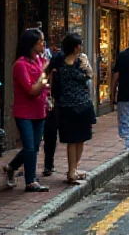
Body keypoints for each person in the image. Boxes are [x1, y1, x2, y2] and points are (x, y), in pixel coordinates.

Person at [3, 28, 50, 192]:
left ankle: (11, 167)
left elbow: (43, 86)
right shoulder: (20, 65)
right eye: (40, 41)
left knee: (34, 147)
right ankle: (30, 181)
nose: (43, 44)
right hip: (24, 112)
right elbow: (32, 90)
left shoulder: (38, 60)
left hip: (39, 110)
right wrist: (45, 74)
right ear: (31, 44)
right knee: (30, 147)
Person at [54, 32, 95, 184]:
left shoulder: (59, 61)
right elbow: (90, 75)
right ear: (77, 47)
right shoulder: (80, 62)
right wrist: (86, 64)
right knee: (80, 138)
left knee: (73, 139)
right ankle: (73, 170)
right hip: (82, 104)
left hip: (66, 106)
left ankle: (74, 169)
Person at [42, 46, 65, 177]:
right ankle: (48, 165)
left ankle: (48, 165)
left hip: (50, 106)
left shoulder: (49, 72)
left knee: (50, 137)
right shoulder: (53, 74)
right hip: (48, 106)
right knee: (49, 137)